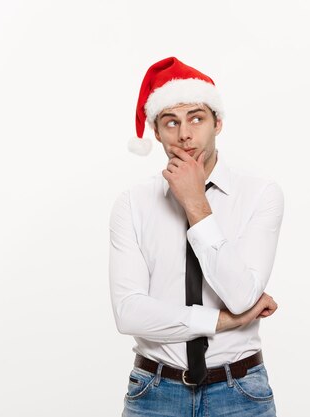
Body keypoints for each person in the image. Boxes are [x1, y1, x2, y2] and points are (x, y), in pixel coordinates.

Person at [109, 57, 285, 417]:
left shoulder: (260, 194)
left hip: (239, 393)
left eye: (196, 118)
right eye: (170, 122)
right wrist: (221, 322)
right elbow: (129, 313)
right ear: (156, 132)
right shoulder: (133, 202)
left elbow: (241, 297)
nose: (184, 134)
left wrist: (195, 203)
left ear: (217, 123)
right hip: (155, 392)